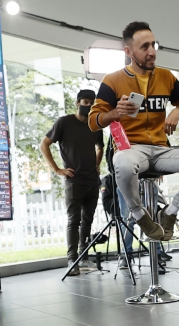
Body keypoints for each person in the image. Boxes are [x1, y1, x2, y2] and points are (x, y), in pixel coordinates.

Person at [88, 21, 179, 242]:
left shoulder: (166, 77)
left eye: (153, 45)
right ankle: (139, 215)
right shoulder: (113, 80)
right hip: (133, 150)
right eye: (144, 47)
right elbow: (93, 121)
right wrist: (114, 113)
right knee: (123, 163)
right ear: (128, 52)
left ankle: (170, 212)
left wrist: (178, 111)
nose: (152, 52)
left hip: (161, 150)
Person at [40, 89, 104, 276]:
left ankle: (83, 257)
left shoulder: (96, 126)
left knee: (87, 221)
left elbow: (100, 148)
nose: (89, 106)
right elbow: (44, 144)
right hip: (73, 180)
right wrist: (57, 169)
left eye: (92, 102)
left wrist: (97, 164)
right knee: (73, 220)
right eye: (85, 102)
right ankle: (72, 260)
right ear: (77, 103)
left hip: (92, 179)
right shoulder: (64, 122)